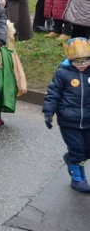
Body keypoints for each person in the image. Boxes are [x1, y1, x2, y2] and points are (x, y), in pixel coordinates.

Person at [43, 37, 90, 193]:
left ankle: (70, 159)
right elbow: (53, 93)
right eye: (78, 61)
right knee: (77, 149)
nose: (82, 65)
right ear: (70, 60)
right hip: (69, 121)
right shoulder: (63, 73)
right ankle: (78, 179)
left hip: (88, 120)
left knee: (87, 149)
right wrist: (48, 112)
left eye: (86, 61)